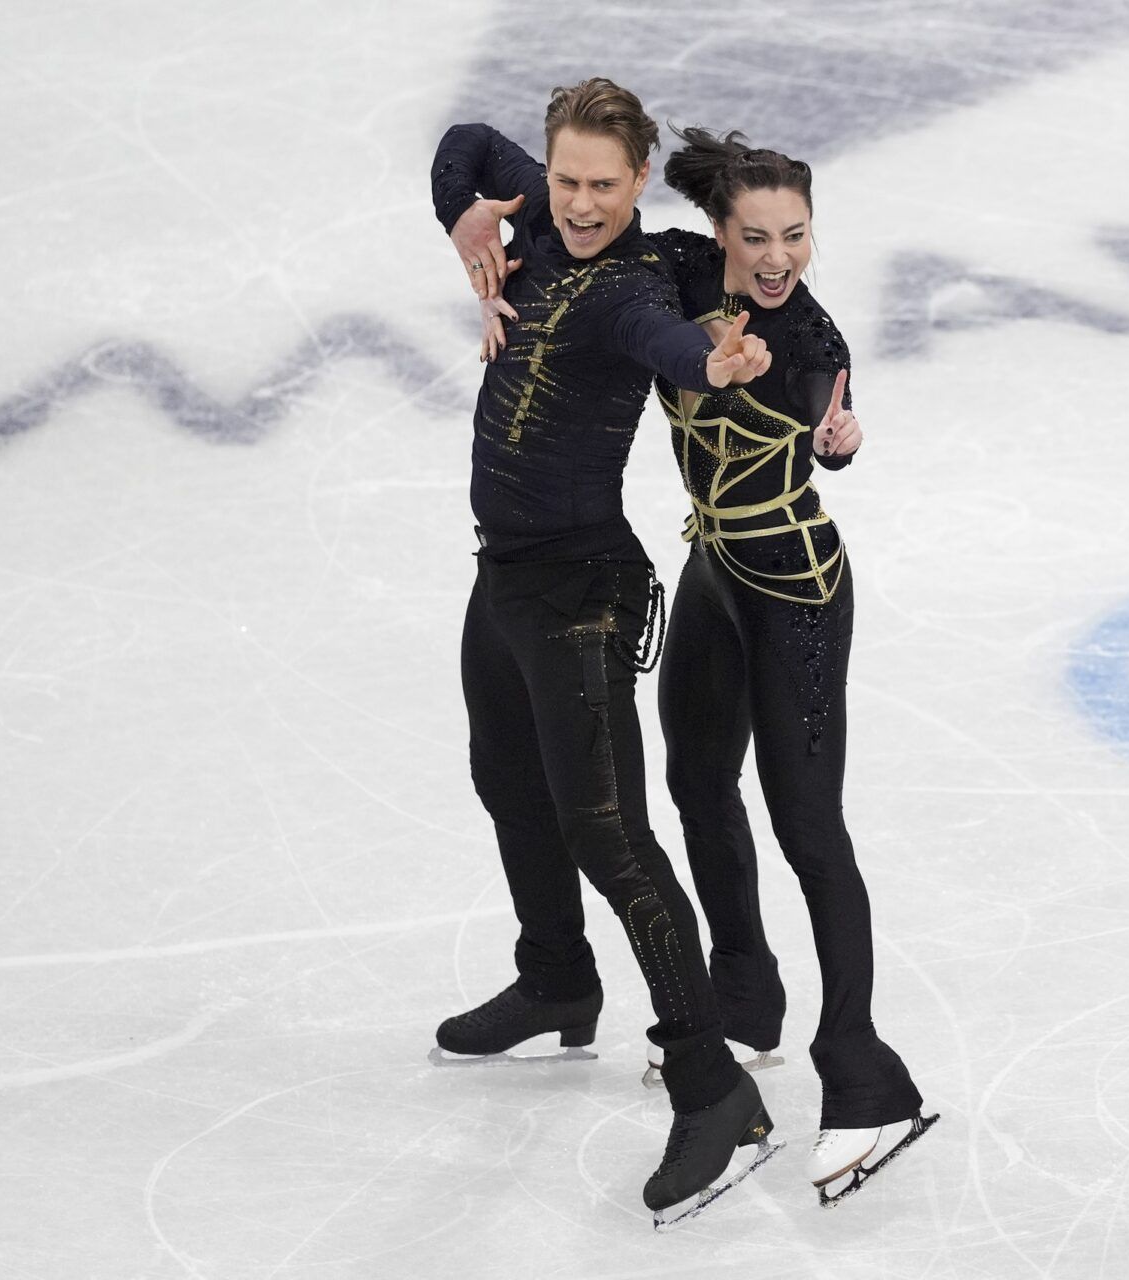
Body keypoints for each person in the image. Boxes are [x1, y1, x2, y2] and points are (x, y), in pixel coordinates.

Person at [453, 122, 937, 1207]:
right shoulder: (670, 265)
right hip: (715, 570)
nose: (779, 257)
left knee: (807, 825)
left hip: (799, 590)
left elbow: (819, 412)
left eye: (798, 236)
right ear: (719, 230)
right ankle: (745, 991)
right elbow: (613, 266)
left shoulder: (810, 341)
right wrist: (485, 218)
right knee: (693, 784)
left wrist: (833, 435)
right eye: (758, 236)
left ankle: (864, 1068)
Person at [428, 80, 778, 1223]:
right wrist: (470, 217)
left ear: (637, 185)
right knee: (504, 778)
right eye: (563, 180)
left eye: (602, 185)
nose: (577, 204)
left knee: (612, 834)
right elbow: (461, 146)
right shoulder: (529, 202)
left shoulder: (630, 290)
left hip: (581, 590)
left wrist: (716, 362)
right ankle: (556, 978)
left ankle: (711, 1082)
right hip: (506, 574)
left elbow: (671, 345)